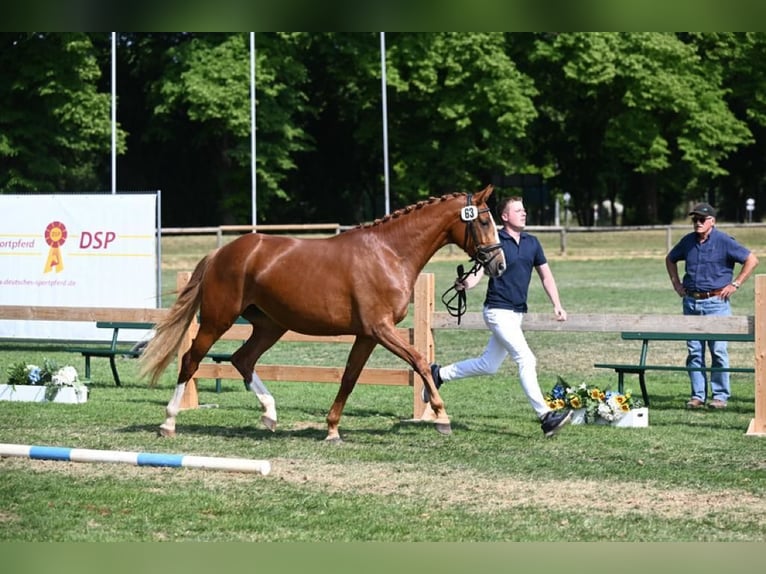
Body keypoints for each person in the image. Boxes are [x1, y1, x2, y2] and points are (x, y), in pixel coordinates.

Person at [424, 196, 571, 437]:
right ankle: (545, 416)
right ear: (505, 216)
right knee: (526, 359)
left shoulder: (532, 243)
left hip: (517, 313)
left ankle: (438, 374)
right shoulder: (494, 240)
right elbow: (478, 272)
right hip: (497, 310)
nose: (524, 213)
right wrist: (465, 285)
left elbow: (546, 276)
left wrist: (557, 304)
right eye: (518, 210)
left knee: (489, 365)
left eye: (524, 209)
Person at [665, 202, 759, 410]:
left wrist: (736, 283)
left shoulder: (724, 241)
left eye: (701, 219)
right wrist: (676, 284)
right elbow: (670, 259)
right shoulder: (688, 241)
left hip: (716, 303)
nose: (697, 223)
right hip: (691, 302)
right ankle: (697, 395)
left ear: (712, 221)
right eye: (694, 220)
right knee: (694, 351)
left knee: (718, 351)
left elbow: (752, 259)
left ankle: (719, 396)